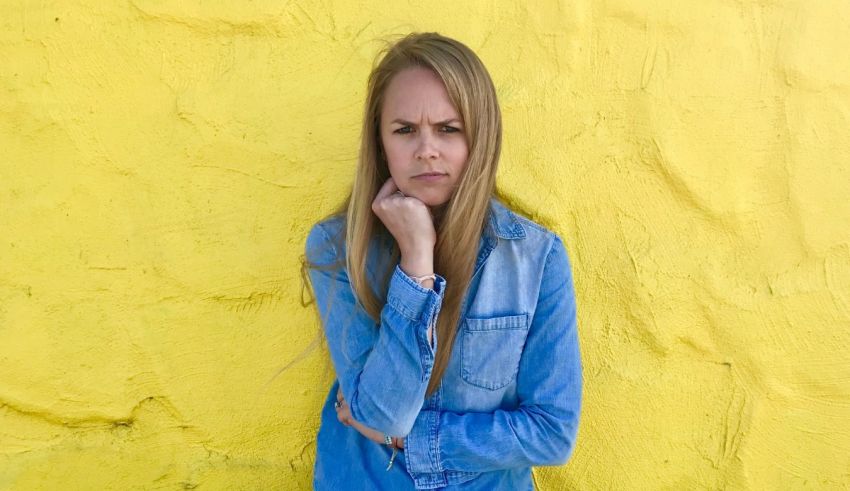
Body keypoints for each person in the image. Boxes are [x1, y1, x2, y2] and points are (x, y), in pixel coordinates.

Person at [303, 32, 582, 490]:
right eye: (405, 130)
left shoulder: (535, 259)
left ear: (481, 137)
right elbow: (382, 413)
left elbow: (553, 433)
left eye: (449, 129)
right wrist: (416, 265)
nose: (426, 150)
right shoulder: (337, 248)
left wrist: (409, 441)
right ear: (380, 142)